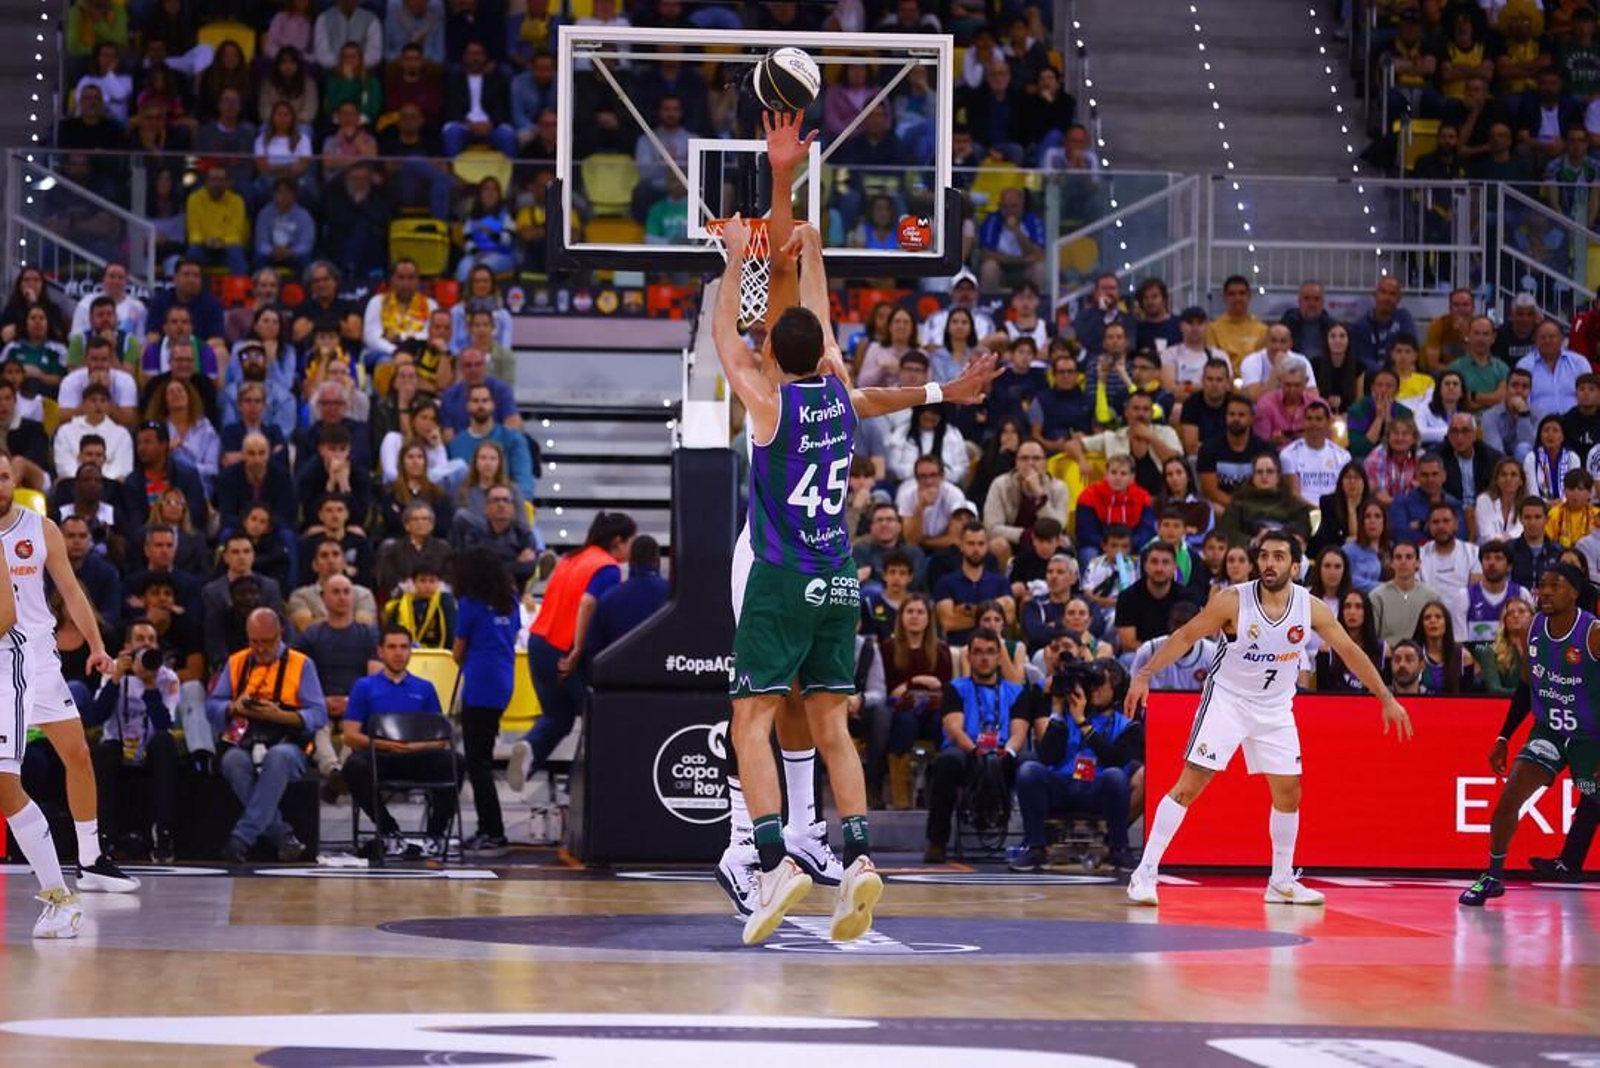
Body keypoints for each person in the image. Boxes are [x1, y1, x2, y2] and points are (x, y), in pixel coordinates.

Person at [710, 211, 999, 945]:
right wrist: (948, 392)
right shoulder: (842, 398)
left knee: (754, 720)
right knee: (835, 724)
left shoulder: (769, 406)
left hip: (780, 578)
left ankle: (773, 861)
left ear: (772, 350)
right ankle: (859, 854)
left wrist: (734, 261)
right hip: (841, 580)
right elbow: (883, 389)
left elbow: (723, 338)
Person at [1124, 532, 1413, 906]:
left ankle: (1280, 882)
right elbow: (1185, 636)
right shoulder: (1233, 601)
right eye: (1264, 556)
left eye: (1278, 556)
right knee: (1190, 784)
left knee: (1289, 792)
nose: (1269, 563)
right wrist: (1145, 674)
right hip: (1227, 700)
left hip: (1276, 707)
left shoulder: (1311, 608)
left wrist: (1386, 697)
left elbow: (1349, 650)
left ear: (1295, 566)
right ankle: (1145, 872)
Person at [0, 451, 141, 894]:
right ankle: (55, 886)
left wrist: (98, 646)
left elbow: (72, 593)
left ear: (14, 479)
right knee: (9, 774)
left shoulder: (39, 528)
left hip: (38, 658)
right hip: (4, 664)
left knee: (77, 753)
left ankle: (91, 859)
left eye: (4, 477)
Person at [1461, 562, 1600, 905]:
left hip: (1591, 738)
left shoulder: (1593, 633)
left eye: (1556, 585)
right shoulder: (1533, 627)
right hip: (1550, 730)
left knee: (1594, 799)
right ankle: (1493, 876)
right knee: (1509, 800)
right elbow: (1526, 687)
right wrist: (1504, 736)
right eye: (1542, 585)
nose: (1546, 592)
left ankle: (1568, 862)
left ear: (1575, 593)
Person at [208, 608, 327, 863]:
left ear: (280, 634)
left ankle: (240, 838)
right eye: (254, 642)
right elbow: (212, 706)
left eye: (267, 642)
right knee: (232, 761)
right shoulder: (236, 661)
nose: (260, 649)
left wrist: (279, 715)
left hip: (288, 742)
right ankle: (283, 836)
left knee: (278, 757)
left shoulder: (302, 664)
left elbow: (318, 714)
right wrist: (232, 707)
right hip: (245, 739)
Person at [1012, 660, 1145, 872]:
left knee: (1115, 775)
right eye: (1089, 683)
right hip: (1063, 787)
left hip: (1097, 792)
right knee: (1029, 770)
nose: (1092, 688)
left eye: (1099, 684)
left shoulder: (1129, 726)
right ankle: (1035, 847)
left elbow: (1114, 759)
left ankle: (1119, 849)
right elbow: (1047, 757)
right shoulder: (1066, 716)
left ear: (1117, 689)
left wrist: (1083, 722)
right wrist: (1056, 711)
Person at [342, 626, 458, 858]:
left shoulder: (425, 688)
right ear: (381, 652)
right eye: (392, 647)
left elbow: (441, 739)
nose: (398, 653)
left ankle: (435, 836)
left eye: (404, 647)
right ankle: (389, 832)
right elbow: (350, 735)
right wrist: (386, 745)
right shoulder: (364, 687)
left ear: (410, 652)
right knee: (353, 765)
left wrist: (415, 747)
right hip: (381, 757)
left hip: (419, 758)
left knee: (456, 762)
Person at [921, 629, 1032, 863]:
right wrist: (975, 750)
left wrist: (1008, 752)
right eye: (978, 652)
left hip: (1003, 756)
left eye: (990, 652)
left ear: (999, 657)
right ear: (968, 657)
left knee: (1030, 765)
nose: (984, 658)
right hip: (967, 753)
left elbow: (1019, 732)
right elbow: (954, 729)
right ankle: (937, 841)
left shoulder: (1017, 691)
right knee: (947, 761)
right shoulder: (955, 688)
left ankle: (1036, 843)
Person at [80, 619, 181, 864]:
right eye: (140, 639)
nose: (146, 644)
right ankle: (104, 838)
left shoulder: (168, 678)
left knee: (165, 743)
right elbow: (95, 717)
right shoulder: (113, 669)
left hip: (150, 748)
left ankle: (163, 834)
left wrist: (149, 685)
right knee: (105, 751)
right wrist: (115, 680)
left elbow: (164, 723)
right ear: (127, 645)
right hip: (117, 747)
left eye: (151, 640)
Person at [451, 549, 521, 858]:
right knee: (482, 760)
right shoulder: (512, 602)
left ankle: (494, 831)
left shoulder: (470, 603)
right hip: (504, 681)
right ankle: (487, 829)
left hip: (479, 684)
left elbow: (457, 650)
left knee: (478, 763)